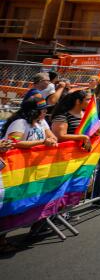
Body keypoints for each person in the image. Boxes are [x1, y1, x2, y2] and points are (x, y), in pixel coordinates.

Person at [0, 94, 58, 254]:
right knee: (9, 202)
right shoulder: (20, 123)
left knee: (24, 201)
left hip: (33, 170)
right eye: (42, 110)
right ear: (33, 111)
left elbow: (50, 135)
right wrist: (42, 143)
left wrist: (51, 140)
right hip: (14, 170)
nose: (45, 112)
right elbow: (13, 143)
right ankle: (1, 239)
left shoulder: (41, 121)